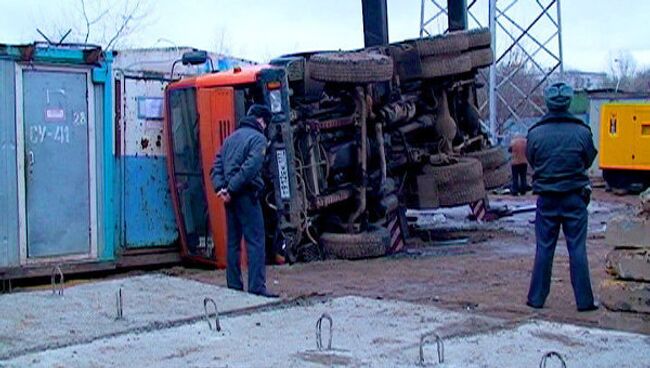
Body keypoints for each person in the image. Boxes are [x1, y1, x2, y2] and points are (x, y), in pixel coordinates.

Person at [526, 82, 598, 312]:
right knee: (577, 249)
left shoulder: (535, 133)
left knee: (544, 248)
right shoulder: (582, 132)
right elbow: (588, 160)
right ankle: (584, 301)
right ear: (568, 102)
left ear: (548, 102)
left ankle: (536, 299)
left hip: (547, 200)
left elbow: (532, 160)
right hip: (574, 199)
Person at [210, 104, 277, 298]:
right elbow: (251, 167)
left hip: (229, 198)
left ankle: (234, 286)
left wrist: (221, 188)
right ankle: (256, 287)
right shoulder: (259, 139)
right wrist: (231, 189)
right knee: (255, 241)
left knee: (233, 242)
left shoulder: (230, 139)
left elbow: (216, 166)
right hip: (246, 195)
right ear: (262, 121)